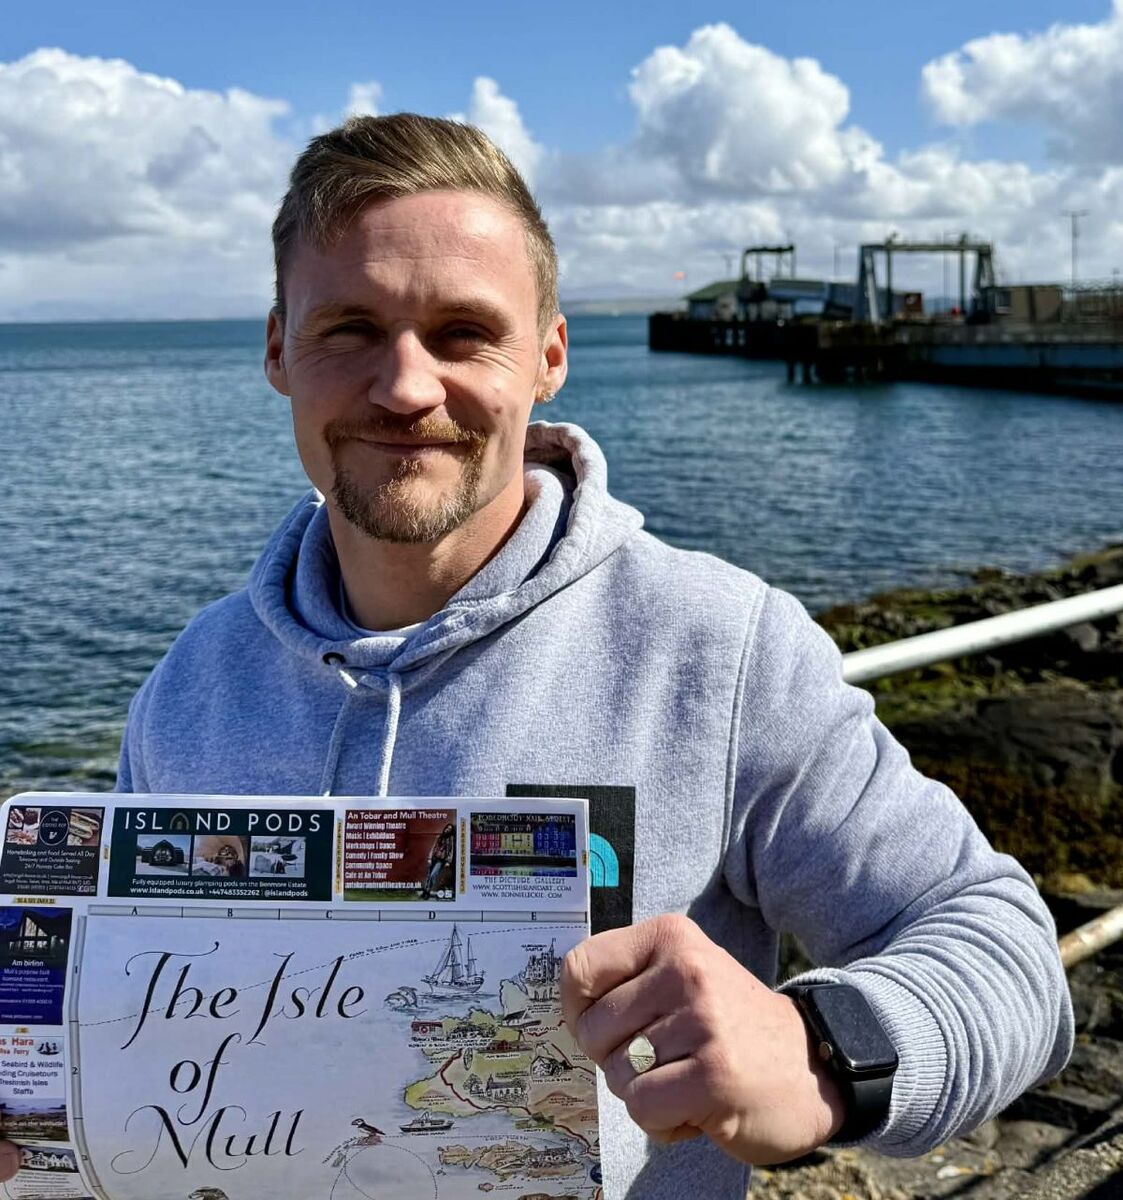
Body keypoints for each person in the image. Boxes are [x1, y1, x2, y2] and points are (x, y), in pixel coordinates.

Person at [101, 114, 1071, 1198]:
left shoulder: (716, 648)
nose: (406, 387)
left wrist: (822, 1051)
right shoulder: (190, 685)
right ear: (278, 348)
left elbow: (1004, 952)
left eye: (464, 332)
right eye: (351, 329)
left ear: (549, 356)